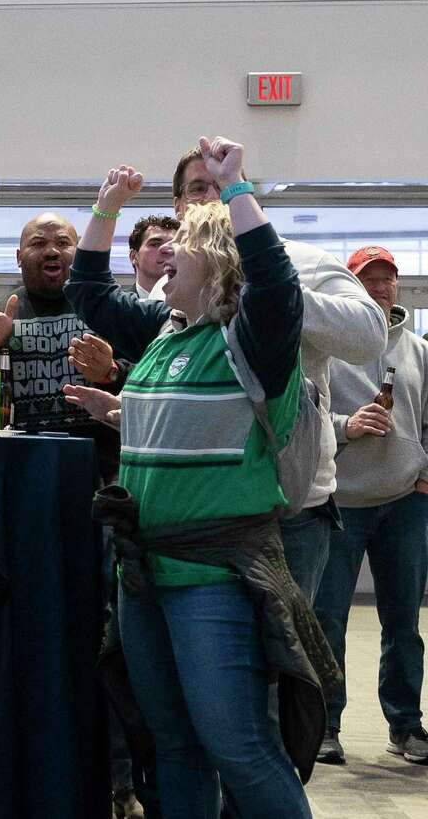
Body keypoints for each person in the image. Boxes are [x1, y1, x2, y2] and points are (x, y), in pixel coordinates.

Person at [65, 139, 335, 818]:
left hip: (213, 578)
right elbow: (89, 293)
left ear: (217, 260)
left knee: (240, 746)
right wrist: (104, 206)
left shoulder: (251, 340)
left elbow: (275, 283)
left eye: (181, 242)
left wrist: (235, 186)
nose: (164, 251)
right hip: (145, 576)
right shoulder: (166, 329)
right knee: (174, 746)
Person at [67, 147, 387, 602]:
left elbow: (371, 336)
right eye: (199, 188)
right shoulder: (171, 286)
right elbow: (98, 300)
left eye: (225, 184)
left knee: (298, 660)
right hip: (183, 510)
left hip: (284, 506)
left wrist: (263, 292)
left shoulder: (301, 262)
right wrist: (131, 412)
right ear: (178, 208)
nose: (213, 196)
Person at [314, 246, 428, 766]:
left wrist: (423, 474)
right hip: (341, 500)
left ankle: (406, 724)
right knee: (328, 620)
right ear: (353, 287)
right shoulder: (327, 346)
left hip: (404, 501)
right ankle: (324, 724)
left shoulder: (418, 350)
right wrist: (347, 427)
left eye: (388, 280)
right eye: (370, 279)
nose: (381, 288)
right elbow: (308, 418)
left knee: (403, 622)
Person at [0, 211, 124, 481]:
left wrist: (112, 372)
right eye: (38, 243)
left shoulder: (108, 311)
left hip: (98, 473)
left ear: (79, 253)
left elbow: (149, 380)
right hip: (11, 471)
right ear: (19, 257)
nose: (52, 251)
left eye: (64, 243)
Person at [127, 214, 178, 297]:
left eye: (174, 244)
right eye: (155, 244)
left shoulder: (198, 306)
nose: (167, 250)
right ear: (134, 256)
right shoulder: (114, 307)